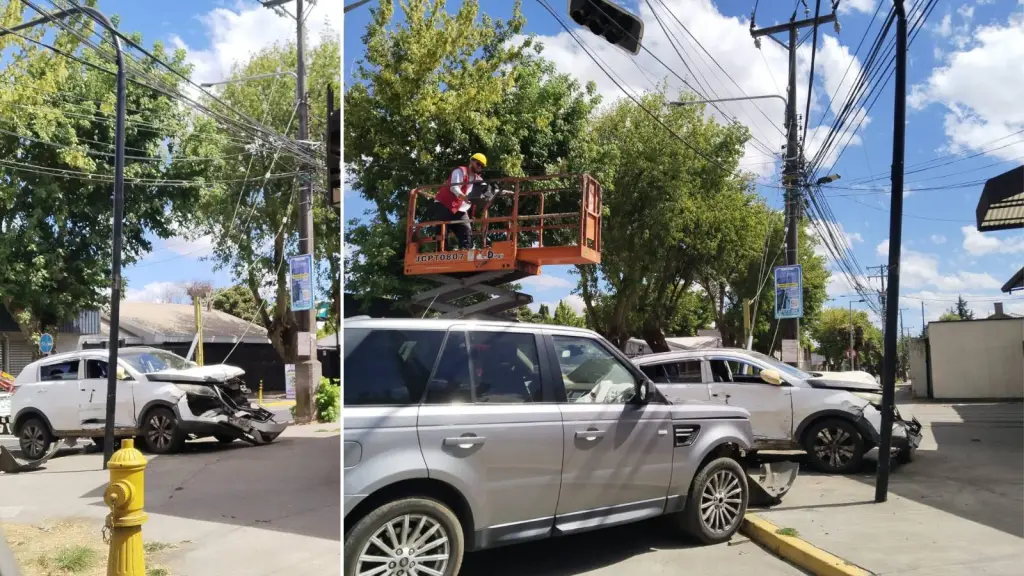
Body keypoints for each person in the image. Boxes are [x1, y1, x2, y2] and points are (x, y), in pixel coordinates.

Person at [429, 153, 487, 250]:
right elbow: (454, 188)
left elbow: (488, 190)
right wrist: (464, 197)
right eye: (478, 164)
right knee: (443, 235)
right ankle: (441, 254)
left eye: (482, 166)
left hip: (460, 210)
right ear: (471, 161)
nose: (479, 167)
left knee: (467, 234)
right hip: (444, 205)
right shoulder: (460, 171)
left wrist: (504, 192)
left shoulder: (478, 180)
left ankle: (466, 254)